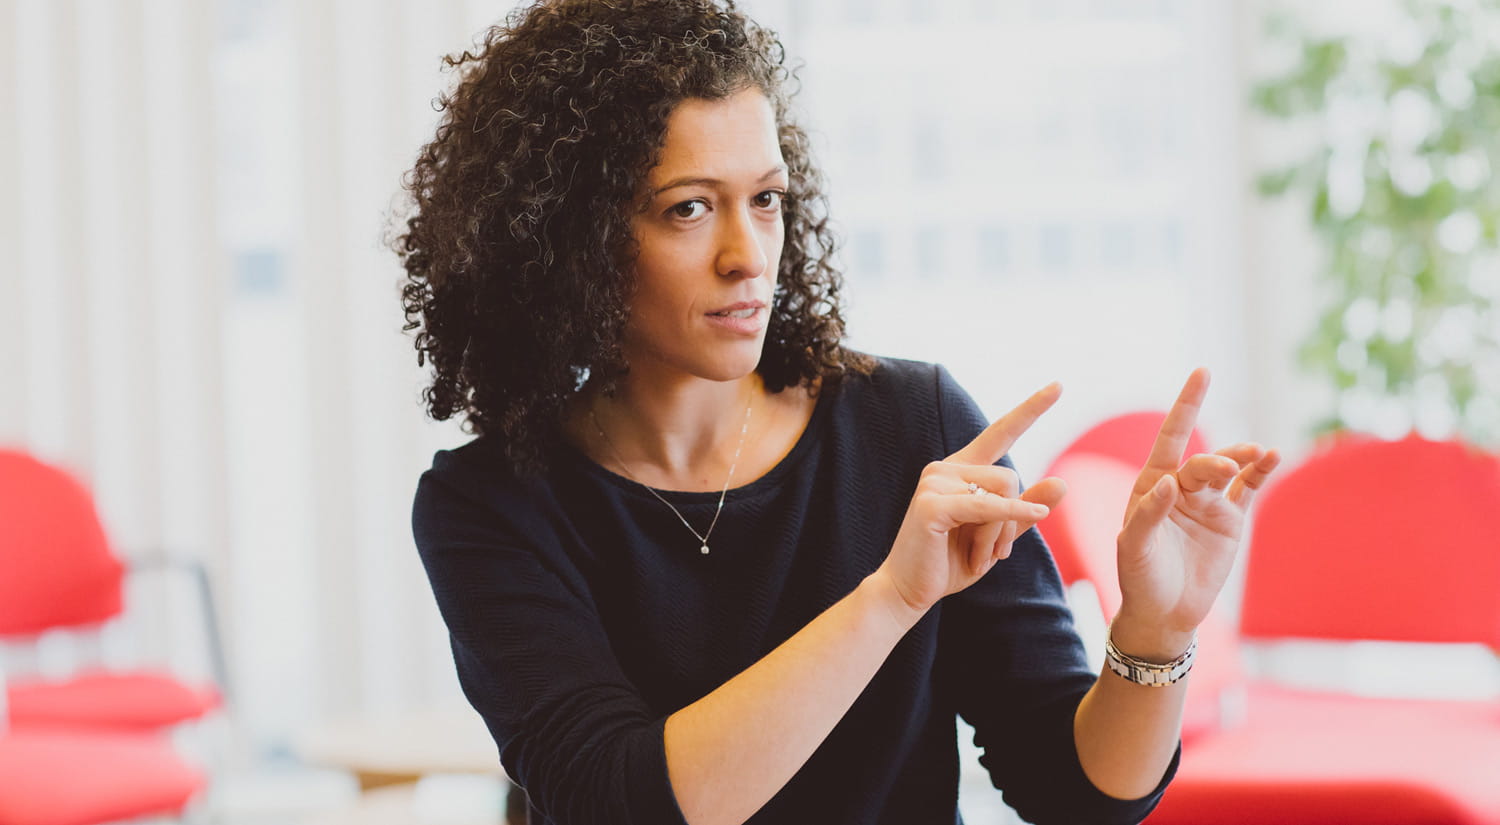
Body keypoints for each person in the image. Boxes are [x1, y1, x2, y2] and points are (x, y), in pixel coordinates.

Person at [395, 2, 1281, 824]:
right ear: (569, 238)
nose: (749, 257)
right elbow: (621, 798)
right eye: (690, 208)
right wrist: (891, 598)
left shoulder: (910, 426)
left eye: (767, 200)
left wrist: (1154, 633)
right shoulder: (491, 504)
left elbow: (1078, 790)